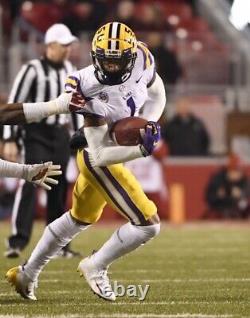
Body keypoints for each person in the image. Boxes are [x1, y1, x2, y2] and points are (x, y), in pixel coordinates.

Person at [6, 21, 166, 301]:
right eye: (106, 61)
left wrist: (149, 123)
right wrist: (141, 149)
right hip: (98, 158)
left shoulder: (142, 56)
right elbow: (101, 153)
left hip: (112, 155)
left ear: (132, 56)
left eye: (118, 61)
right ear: (94, 56)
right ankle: (97, 265)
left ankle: (27, 273)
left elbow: (158, 93)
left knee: (79, 218)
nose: (112, 67)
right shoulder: (85, 86)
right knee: (148, 223)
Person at [3, 23, 80, 258]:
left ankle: (57, 246)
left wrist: (78, 139)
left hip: (60, 134)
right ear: (50, 45)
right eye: (63, 45)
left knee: (58, 190)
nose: (67, 49)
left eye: (69, 45)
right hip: (35, 133)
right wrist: (10, 138)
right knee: (30, 181)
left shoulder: (71, 69)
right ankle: (18, 241)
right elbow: (15, 104)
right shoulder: (32, 70)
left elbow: (76, 106)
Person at [205, 154, 250, 218]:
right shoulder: (218, 179)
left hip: (238, 211)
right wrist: (218, 195)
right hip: (219, 210)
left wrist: (240, 195)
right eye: (234, 170)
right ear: (228, 170)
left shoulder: (244, 181)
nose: (236, 174)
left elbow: (245, 202)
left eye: (239, 171)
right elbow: (208, 198)